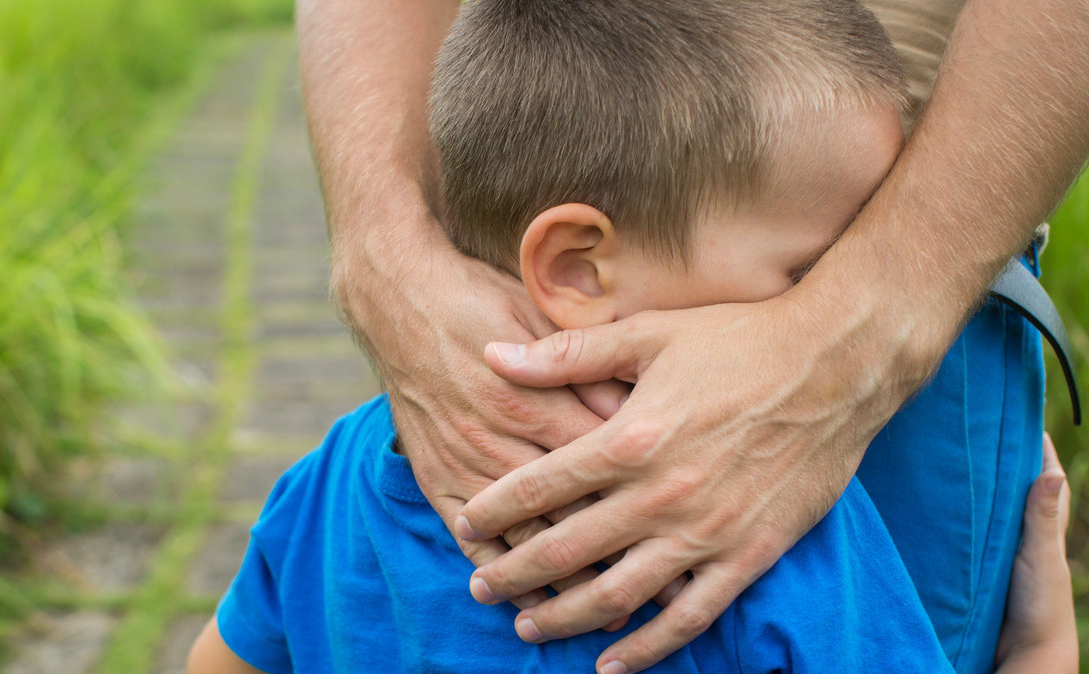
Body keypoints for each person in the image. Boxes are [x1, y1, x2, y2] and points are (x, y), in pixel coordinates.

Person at [188, 2, 1076, 671]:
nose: (813, 296)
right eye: (807, 272)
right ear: (577, 269)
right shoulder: (784, 552)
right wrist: (1040, 641)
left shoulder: (337, 480)